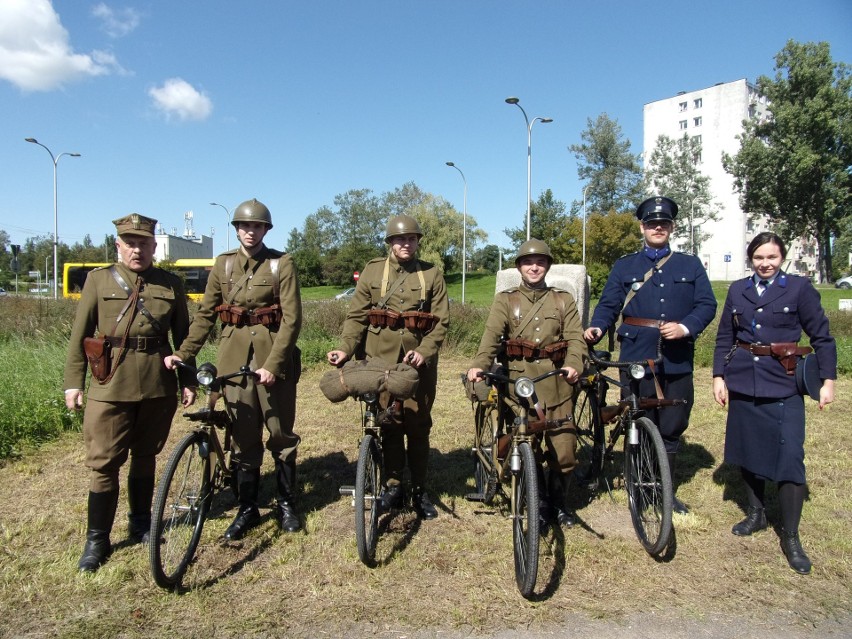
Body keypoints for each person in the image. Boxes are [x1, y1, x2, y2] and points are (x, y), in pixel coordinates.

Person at [64, 214, 196, 573]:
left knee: (146, 455)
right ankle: (97, 540)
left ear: (155, 246)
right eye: (130, 243)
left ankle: (140, 523)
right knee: (104, 463)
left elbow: (183, 338)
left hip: (157, 383)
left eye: (144, 243)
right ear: (118, 245)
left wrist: (188, 381)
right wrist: (73, 382)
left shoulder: (171, 283)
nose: (137, 250)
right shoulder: (98, 280)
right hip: (110, 384)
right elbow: (80, 335)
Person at [165, 198, 303, 538]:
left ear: (266, 229)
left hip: (274, 359)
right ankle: (247, 508)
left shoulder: (280, 264)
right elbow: (205, 315)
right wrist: (183, 352)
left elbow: (292, 320)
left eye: (256, 226)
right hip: (233, 360)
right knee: (242, 435)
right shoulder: (223, 266)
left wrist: (273, 364)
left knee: (280, 431)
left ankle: (286, 505)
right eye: (244, 226)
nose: (249, 232)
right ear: (236, 229)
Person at [583, 196, 717, 514]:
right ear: (642, 227)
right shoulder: (625, 266)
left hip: (676, 357)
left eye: (664, 223)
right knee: (638, 419)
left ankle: (664, 491)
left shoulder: (690, 265)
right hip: (636, 355)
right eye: (652, 224)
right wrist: (597, 327)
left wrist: (685, 327)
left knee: (672, 426)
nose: (658, 228)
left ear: (671, 227)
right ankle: (640, 486)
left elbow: (707, 305)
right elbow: (609, 304)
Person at [712, 232, 835, 574]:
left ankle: (791, 536)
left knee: (790, 457)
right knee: (748, 449)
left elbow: (822, 337)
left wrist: (829, 381)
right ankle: (756, 514)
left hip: (783, 382)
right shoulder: (739, 290)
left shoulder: (798, 289)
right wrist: (719, 376)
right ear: (750, 259)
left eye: (772, 257)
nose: (765, 263)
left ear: (782, 258)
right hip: (743, 381)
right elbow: (726, 336)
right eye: (758, 258)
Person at [326, 214, 449, 519]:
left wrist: (424, 351)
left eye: (411, 239)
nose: (405, 244)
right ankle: (393, 488)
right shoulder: (373, 272)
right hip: (379, 362)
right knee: (388, 423)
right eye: (399, 239)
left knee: (418, 425)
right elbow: (356, 317)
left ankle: (419, 490)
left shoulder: (431, 275)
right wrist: (344, 349)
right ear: (390, 243)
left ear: (418, 241)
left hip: (416, 364)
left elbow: (441, 322)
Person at [466, 239, 586, 526]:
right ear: (519, 266)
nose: (535, 267)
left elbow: (575, 338)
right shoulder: (506, 300)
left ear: (547, 266)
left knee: (565, 452)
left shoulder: (562, 299)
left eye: (541, 262)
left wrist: (574, 364)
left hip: (556, 384)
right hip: (519, 386)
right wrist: (479, 365)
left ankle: (559, 503)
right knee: (526, 447)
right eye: (528, 262)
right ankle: (540, 502)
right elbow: (491, 337)